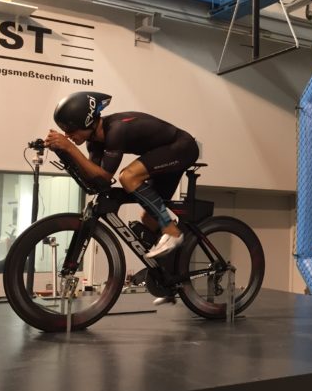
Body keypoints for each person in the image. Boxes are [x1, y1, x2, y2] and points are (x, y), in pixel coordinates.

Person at [44, 91, 199, 265]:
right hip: (165, 156)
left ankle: (172, 231)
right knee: (149, 219)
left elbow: (105, 175)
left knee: (128, 176)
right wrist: (63, 152)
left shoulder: (116, 129)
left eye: (70, 130)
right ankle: (170, 269)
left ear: (87, 121)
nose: (67, 136)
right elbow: (95, 180)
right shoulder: (94, 142)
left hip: (182, 148)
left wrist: (70, 148)